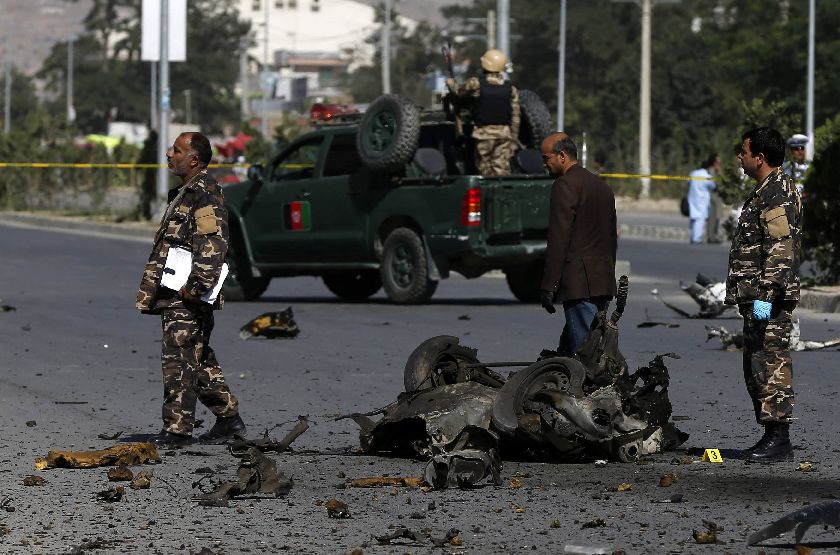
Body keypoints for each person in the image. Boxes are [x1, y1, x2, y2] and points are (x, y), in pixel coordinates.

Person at [136, 132, 247, 447]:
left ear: (194, 159)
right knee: (195, 356)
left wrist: (197, 286)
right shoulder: (186, 192)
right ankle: (228, 419)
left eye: (177, 150)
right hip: (176, 291)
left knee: (179, 360)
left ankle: (177, 430)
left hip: (187, 293)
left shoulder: (204, 194)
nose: (170, 153)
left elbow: (213, 243)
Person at [726, 127, 801, 462]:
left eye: (744, 152)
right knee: (756, 359)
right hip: (758, 297)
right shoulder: (765, 191)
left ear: (760, 157)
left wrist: (765, 296)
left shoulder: (777, 193)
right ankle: (771, 434)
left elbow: (780, 249)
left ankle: (778, 437)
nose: (739, 157)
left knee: (769, 360)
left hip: (767, 298)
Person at [539, 132, 617, 356]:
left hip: (578, 285)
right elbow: (611, 239)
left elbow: (558, 239)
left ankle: (584, 390)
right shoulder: (602, 186)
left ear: (562, 156)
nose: (545, 164)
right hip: (601, 280)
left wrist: (549, 286)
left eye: (547, 159)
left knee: (584, 354)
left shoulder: (564, 185)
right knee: (575, 348)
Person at [446, 49, 520, 176]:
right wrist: (513, 141)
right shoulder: (510, 89)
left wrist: (451, 84)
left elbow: (458, 92)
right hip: (504, 136)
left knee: (484, 172)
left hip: (484, 135)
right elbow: (516, 118)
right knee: (502, 171)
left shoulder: (476, 84)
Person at [686, 154, 720, 244]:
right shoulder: (707, 176)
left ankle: (693, 236)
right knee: (700, 219)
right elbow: (713, 186)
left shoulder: (693, 173)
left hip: (692, 198)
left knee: (693, 218)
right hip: (702, 200)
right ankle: (697, 239)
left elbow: (688, 182)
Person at [137, 130, 158, 220]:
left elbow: (144, 157)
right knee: (148, 194)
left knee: (148, 194)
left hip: (152, 175)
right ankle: (147, 213)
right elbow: (143, 158)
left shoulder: (153, 147)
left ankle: (148, 213)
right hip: (151, 174)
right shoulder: (152, 146)